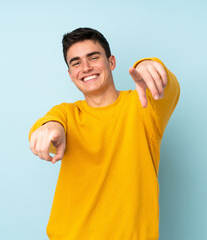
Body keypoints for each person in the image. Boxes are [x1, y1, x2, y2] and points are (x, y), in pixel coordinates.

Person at [29, 27, 180, 240]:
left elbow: (168, 91)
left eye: (93, 57)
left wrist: (148, 65)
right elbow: (46, 126)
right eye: (76, 63)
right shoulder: (66, 113)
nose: (86, 67)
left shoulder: (142, 105)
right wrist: (50, 128)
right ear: (71, 75)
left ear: (111, 62)